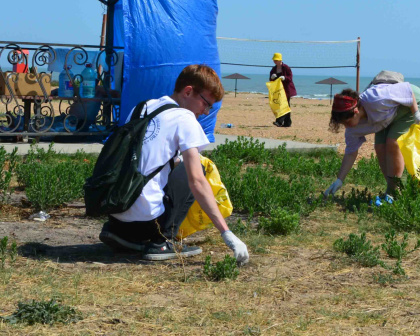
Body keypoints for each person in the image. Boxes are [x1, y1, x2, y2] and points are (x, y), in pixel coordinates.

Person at [98, 65, 249, 264]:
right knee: (196, 169)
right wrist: (226, 232)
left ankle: (124, 235)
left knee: (171, 166)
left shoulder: (142, 107)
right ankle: (163, 240)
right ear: (188, 92)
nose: (205, 112)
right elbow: (197, 181)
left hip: (116, 214)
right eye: (206, 104)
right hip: (148, 224)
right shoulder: (185, 119)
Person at [323, 81, 420, 200]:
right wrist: (339, 180)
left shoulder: (375, 99)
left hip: (411, 103)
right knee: (379, 146)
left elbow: (406, 89)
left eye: (347, 122)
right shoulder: (352, 129)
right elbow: (351, 152)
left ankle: (396, 192)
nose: (346, 127)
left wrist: (417, 114)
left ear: (356, 111)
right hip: (386, 116)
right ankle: (392, 190)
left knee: (393, 143)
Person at [269, 52, 296, 127]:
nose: (275, 61)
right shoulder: (274, 69)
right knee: (284, 106)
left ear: (280, 60)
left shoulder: (286, 67)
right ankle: (287, 123)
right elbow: (270, 79)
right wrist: (272, 77)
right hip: (278, 90)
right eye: (274, 60)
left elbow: (290, 78)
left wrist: (285, 78)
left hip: (286, 90)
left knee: (284, 105)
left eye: (276, 60)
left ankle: (279, 122)